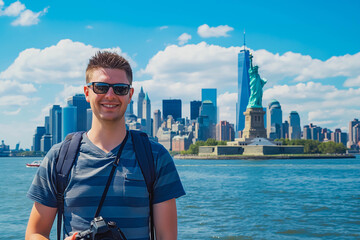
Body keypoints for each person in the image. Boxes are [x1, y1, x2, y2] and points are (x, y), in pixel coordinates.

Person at [26, 51, 186, 240]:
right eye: (101, 87)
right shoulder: (59, 157)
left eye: (120, 89)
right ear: (87, 93)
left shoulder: (156, 156)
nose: (110, 95)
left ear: (130, 95)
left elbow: (167, 237)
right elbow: (35, 233)